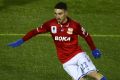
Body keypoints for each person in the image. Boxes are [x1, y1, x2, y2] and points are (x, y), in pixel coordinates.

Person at [8, 2, 107, 80]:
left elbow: (86, 36)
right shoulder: (50, 24)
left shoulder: (75, 25)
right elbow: (35, 31)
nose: (57, 16)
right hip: (65, 61)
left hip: (78, 54)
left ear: (66, 13)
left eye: (60, 13)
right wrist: (21, 40)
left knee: (94, 74)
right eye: (55, 13)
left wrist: (94, 49)